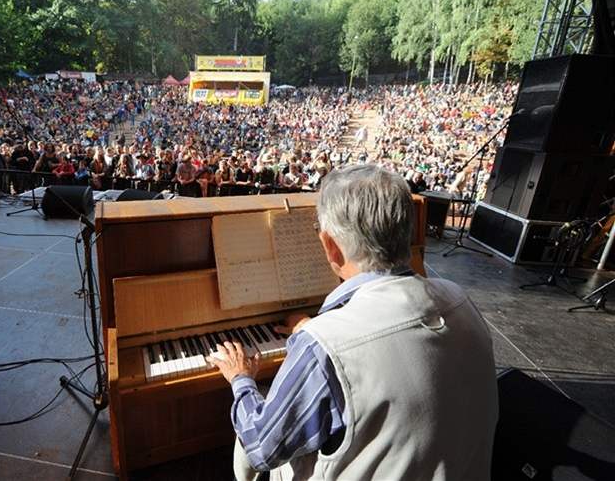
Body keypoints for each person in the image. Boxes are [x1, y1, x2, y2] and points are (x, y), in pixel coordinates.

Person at [206, 165, 498, 481]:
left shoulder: (325, 344)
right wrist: (314, 331)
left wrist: (240, 378)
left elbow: (262, 448)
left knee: (261, 401)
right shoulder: (458, 298)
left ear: (330, 245)